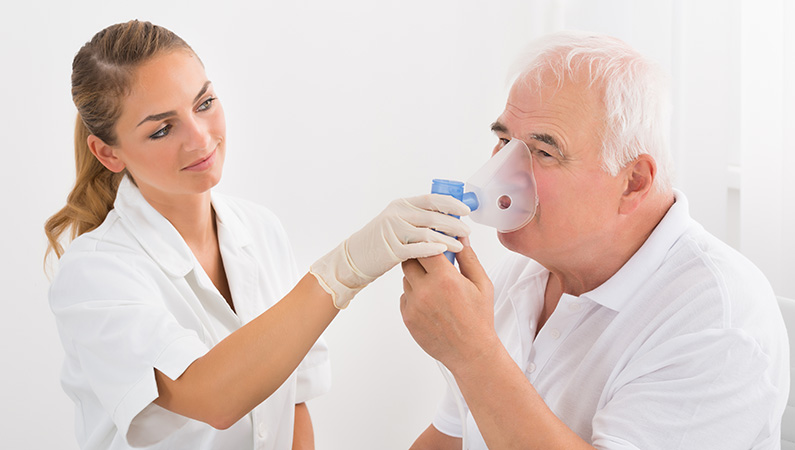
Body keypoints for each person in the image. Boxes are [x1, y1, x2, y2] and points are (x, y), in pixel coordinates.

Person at [44, 20, 471, 450]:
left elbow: (294, 396)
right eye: (162, 129)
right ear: (108, 152)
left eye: (204, 103)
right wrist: (347, 267)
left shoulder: (259, 229)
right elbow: (210, 396)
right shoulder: (93, 273)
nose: (200, 138)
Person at [400, 31, 789, 449]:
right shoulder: (526, 270)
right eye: (505, 141)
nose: (502, 173)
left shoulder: (717, 323)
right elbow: (449, 439)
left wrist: (473, 353)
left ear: (633, 182)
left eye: (543, 152)